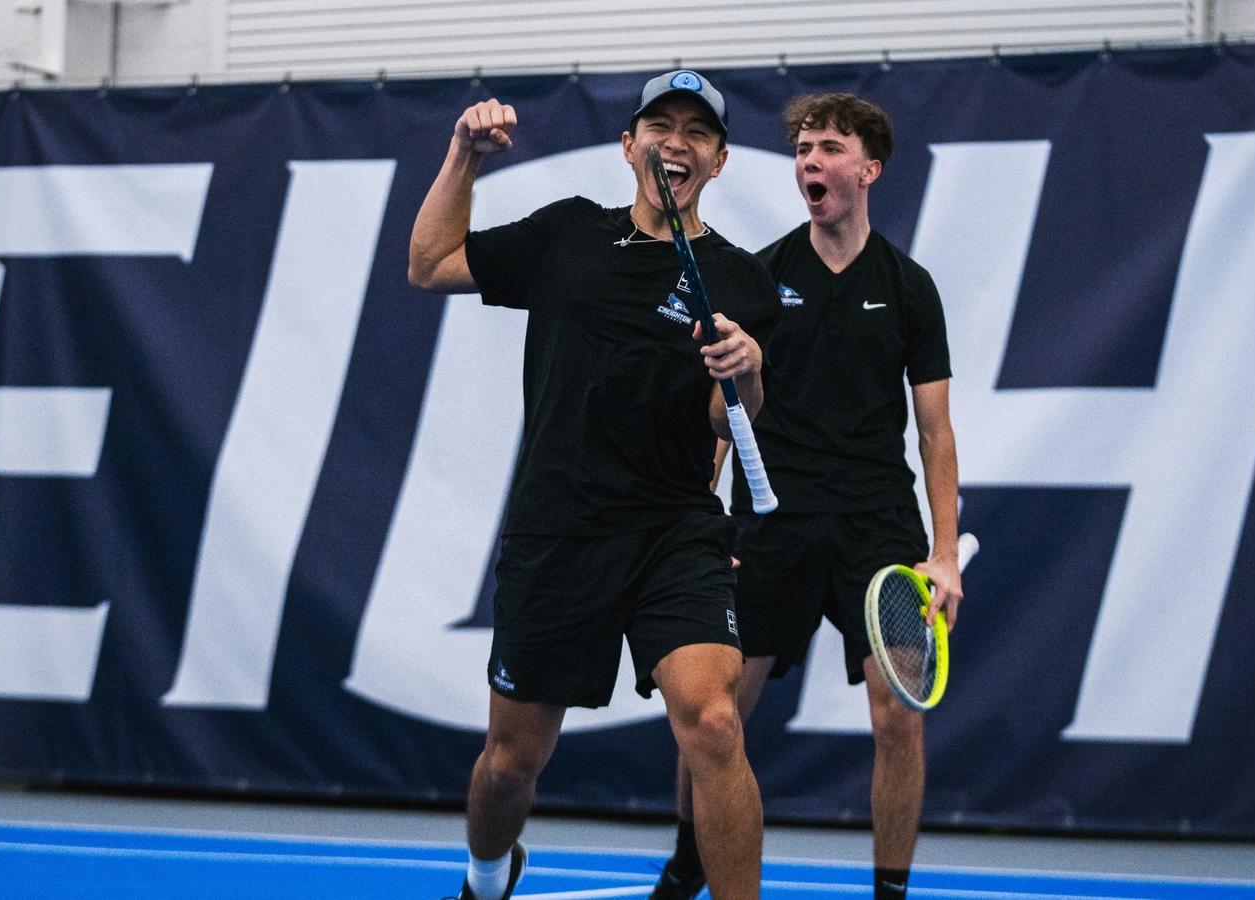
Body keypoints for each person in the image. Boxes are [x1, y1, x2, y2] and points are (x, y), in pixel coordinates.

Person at [408, 70, 779, 900]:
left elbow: (731, 425)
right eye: (660, 126)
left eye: (696, 132)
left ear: (718, 161)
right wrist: (463, 157)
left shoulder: (743, 283)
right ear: (629, 147)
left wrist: (746, 375)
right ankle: (486, 875)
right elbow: (430, 264)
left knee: (716, 725)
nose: (674, 141)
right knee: (510, 764)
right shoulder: (568, 235)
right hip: (559, 531)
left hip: (675, 533)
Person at [651, 92, 962, 900]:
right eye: (801, 151)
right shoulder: (763, 277)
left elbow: (935, 432)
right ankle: (689, 862)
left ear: (869, 168)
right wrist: (702, 523)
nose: (810, 164)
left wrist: (940, 553)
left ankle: (890, 891)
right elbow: (724, 417)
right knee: (713, 713)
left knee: (900, 718)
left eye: (827, 149)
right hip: (773, 524)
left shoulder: (909, 287)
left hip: (877, 528)